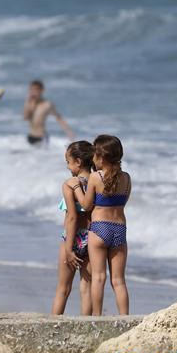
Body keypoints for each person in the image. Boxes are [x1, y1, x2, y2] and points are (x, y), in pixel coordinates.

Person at [70, 134, 130, 315]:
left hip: (99, 228)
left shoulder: (96, 177)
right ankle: (125, 319)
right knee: (119, 280)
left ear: (101, 157)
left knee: (98, 277)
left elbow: (87, 205)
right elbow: (122, 203)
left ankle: (97, 318)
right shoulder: (126, 177)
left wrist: (76, 189)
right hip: (119, 229)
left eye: (95, 155)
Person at [51, 141, 94, 315]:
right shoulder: (96, 181)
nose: (68, 166)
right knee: (87, 287)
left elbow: (72, 217)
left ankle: (52, 328)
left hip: (72, 237)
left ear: (78, 161)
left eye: (68, 162)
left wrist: (69, 248)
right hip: (91, 236)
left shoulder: (70, 184)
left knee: (63, 288)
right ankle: (87, 328)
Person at [23, 80, 75, 147]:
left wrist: (69, 132)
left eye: (36, 90)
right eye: (31, 90)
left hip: (42, 137)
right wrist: (31, 106)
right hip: (31, 136)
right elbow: (25, 117)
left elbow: (58, 118)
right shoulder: (28, 103)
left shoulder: (47, 104)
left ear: (42, 90)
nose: (33, 92)